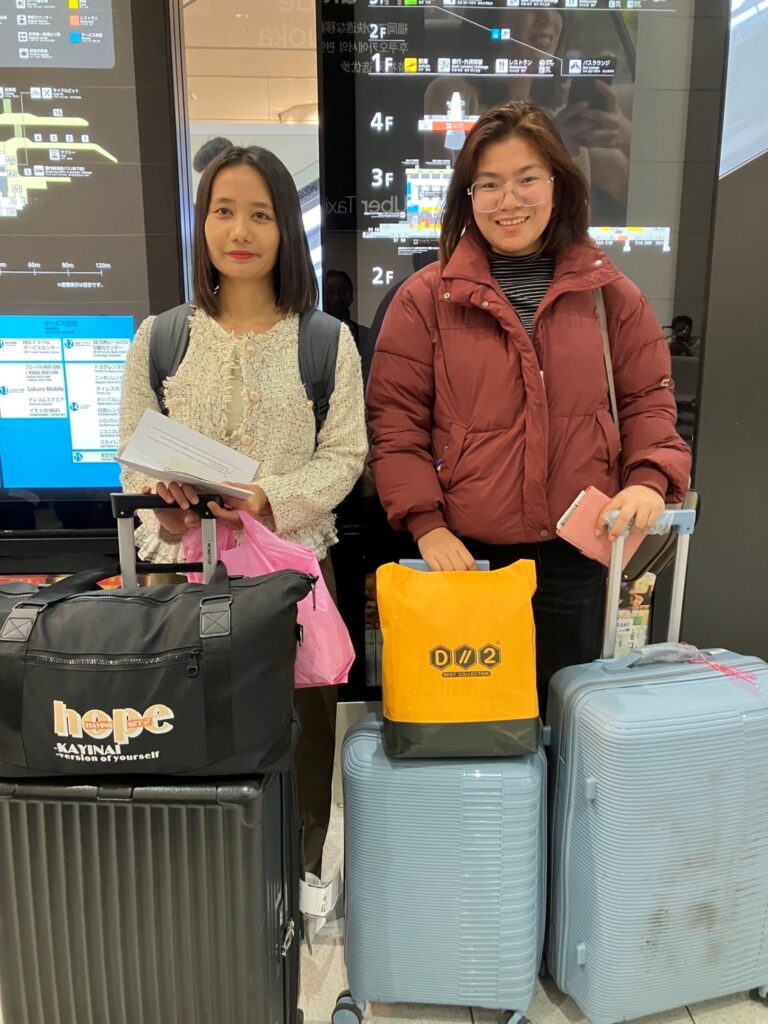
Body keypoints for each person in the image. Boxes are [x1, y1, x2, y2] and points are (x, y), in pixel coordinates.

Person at [366, 102, 692, 714]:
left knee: (573, 723)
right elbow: (395, 424)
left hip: (576, 558)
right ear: (467, 196)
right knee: (470, 728)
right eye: (488, 183)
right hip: (466, 561)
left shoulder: (611, 298)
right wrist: (426, 523)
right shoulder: (424, 300)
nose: (507, 200)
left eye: (526, 179)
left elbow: (649, 400)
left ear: (557, 185)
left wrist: (649, 478)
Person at [119, 145, 368, 875]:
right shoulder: (161, 337)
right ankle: (197, 884)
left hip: (290, 577)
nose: (240, 231)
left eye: (260, 214)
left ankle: (300, 879)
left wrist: (267, 498)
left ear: (287, 227)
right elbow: (134, 453)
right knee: (179, 733)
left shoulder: (326, 341)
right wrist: (164, 511)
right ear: (202, 224)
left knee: (299, 740)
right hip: (180, 578)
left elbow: (346, 454)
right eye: (223, 211)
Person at [323, 269, 370, 355]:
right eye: (330, 292)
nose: (336, 298)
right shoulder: (311, 334)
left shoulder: (366, 336)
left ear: (350, 298)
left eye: (342, 292)